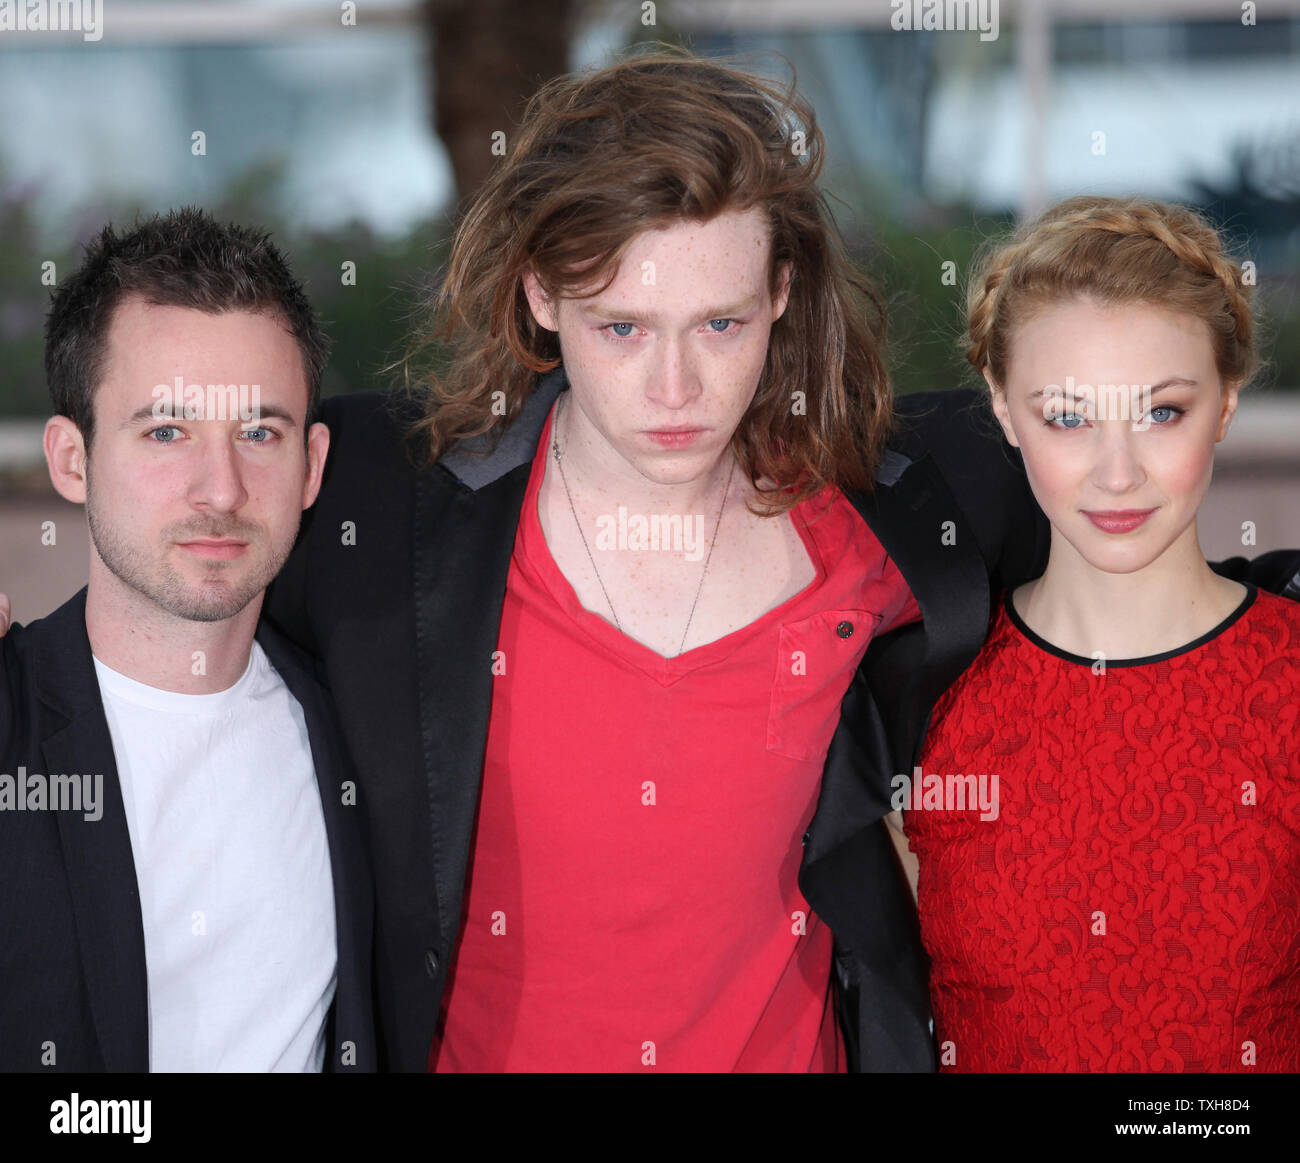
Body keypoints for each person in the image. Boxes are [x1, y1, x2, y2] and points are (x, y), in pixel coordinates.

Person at [252, 50, 1299, 1072]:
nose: (676, 387)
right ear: (538, 296)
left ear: (783, 292)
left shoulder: (892, 511)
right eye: (622, 327)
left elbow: (1115, 487)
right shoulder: (376, 510)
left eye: (721, 322)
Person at [899, 195, 1300, 1072]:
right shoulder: (925, 702)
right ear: (1003, 409)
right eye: (1069, 417)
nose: (1118, 474)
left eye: (1162, 412)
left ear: (1226, 403)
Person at [0, 209, 375, 1072]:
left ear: (313, 465)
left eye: (259, 432)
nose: (222, 488)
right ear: (72, 460)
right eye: (166, 431)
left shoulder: (364, 726)